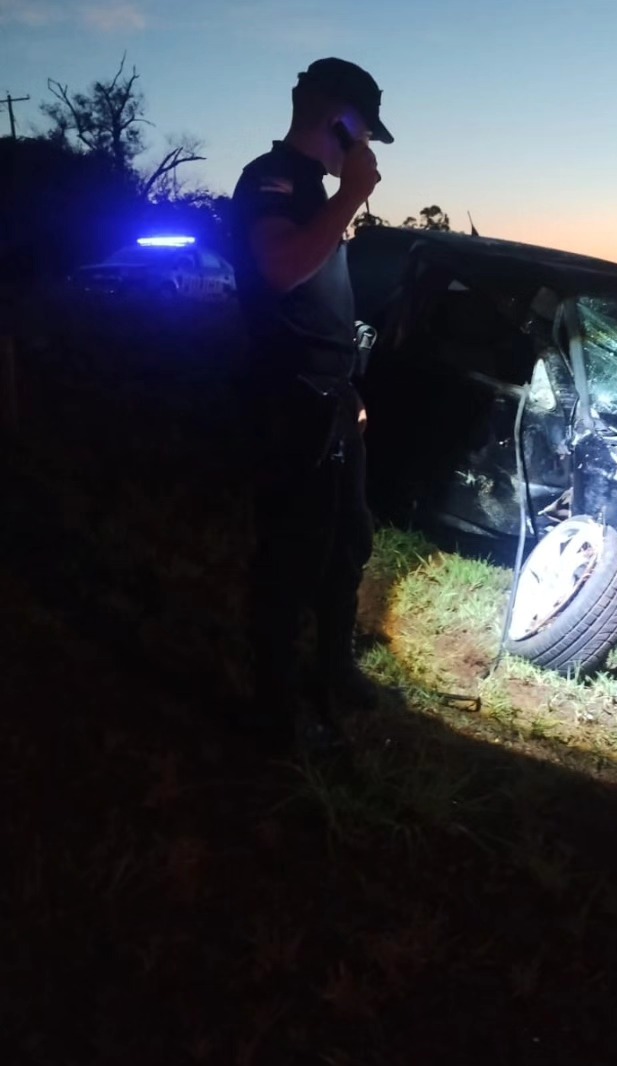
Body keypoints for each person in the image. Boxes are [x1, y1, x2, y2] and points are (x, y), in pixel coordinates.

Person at [231, 58, 392, 742]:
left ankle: (331, 666)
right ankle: (275, 709)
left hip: (332, 395)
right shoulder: (274, 181)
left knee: (347, 538)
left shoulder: (313, 190)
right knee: (291, 554)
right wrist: (351, 196)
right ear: (337, 117)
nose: (367, 147)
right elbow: (279, 268)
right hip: (289, 397)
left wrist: (349, 386)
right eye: (363, 131)